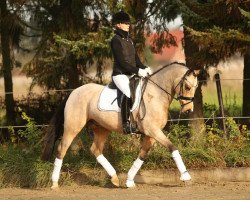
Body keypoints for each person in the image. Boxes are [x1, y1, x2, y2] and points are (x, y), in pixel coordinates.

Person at [111, 11, 152, 134]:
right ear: (118, 25)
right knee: (128, 93)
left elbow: (136, 59)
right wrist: (138, 71)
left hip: (131, 74)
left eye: (128, 23)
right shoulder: (115, 40)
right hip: (120, 74)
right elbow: (122, 63)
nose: (128, 25)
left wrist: (145, 68)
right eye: (125, 23)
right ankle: (126, 124)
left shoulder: (129, 40)